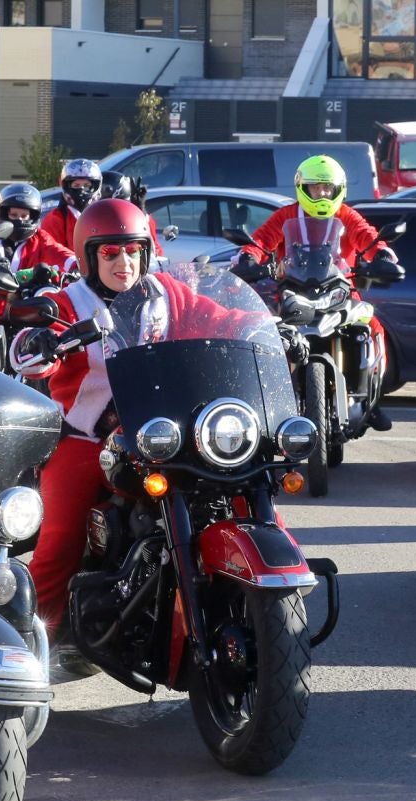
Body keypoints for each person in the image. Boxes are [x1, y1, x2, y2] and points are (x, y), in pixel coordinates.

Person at [21, 198, 252, 647]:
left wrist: (268, 330)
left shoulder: (168, 293)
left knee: (237, 489)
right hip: (88, 437)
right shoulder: (66, 302)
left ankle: (274, 590)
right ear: (89, 255)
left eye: (133, 251)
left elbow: (220, 318)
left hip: (164, 433)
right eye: (110, 253)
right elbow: (28, 351)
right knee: (61, 536)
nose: (124, 263)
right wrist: (44, 341)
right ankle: (32, 641)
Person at [235, 153, 397, 427]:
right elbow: (262, 239)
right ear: (302, 187)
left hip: (340, 289)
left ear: (338, 189)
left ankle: (372, 401)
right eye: (315, 187)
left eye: (327, 188)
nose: (321, 193)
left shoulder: (346, 215)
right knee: (267, 334)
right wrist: (249, 257)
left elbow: (367, 235)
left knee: (373, 327)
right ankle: (271, 400)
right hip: (293, 292)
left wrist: (381, 254)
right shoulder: (286, 215)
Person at [0, 182, 74, 307]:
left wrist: (76, 264)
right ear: (3, 213)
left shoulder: (40, 238)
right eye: (14, 215)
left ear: (33, 216)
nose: (19, 220)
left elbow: (58, 251)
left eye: (24, 216)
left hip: (26, 309)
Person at [40, 157, 103, 255]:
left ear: (95, 187)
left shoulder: (103, 217)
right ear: (66, 186)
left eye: (86, 186)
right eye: (76, 185)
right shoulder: (54, 219)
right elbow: (50, 253)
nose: (81, 190)